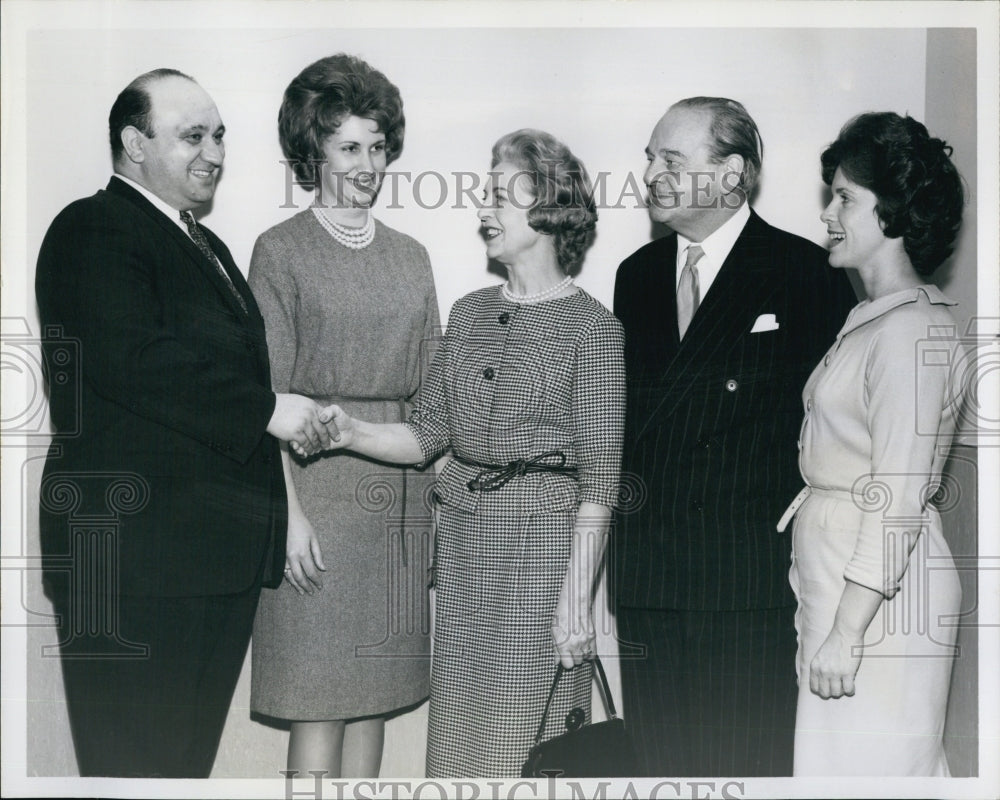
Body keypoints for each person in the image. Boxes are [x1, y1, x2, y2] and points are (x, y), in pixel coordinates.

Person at [35, 68, 335, 778]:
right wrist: (268, 410)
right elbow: (134, 359)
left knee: (179, 775)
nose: (215, 153)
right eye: (193, 136)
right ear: (134, 144)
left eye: (220, 135)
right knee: (131, 773)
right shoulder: (92, 227)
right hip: (130, 565)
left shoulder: (206, 245)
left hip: (203, 566)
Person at [313, 129, 625, 777]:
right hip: (461, 548)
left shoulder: (593, 328)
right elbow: (427, 433)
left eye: (501, 197)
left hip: (541, 558)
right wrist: (348, 432)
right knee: (459, 740)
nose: (483, 209)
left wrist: (575, 602)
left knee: (522, 744)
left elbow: (600, 481)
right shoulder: (470, 313)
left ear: (550, 211)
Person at [612, 96, 857, 776]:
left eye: (672, 160)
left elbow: (835, 426)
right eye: (650, 159)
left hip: (745, 581)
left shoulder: (805, 272)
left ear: (730, 174)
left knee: (743, 769)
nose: (651, 175)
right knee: (660, 773)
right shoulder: (635, 276)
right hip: (650, 578)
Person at [248, 54, 439, 779]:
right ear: (314, 152)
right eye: (349, 148)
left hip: (398, 502)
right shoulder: (280, 251)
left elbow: (431, 398)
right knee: (318, 703)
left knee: (372, 704)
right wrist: (287, 517)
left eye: (378, 147)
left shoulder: (412, 256)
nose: (369, 165)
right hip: (314, 502)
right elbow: (265, 397)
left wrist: (433, 518)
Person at [779, 112, 965, 776]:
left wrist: (848, 630)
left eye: (844, 199)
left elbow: (899, 495)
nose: (828, 214)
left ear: (891, 212)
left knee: (877, 774)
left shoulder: (909, 332)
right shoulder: (872, 318)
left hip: (880, 599)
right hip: (847, 576)